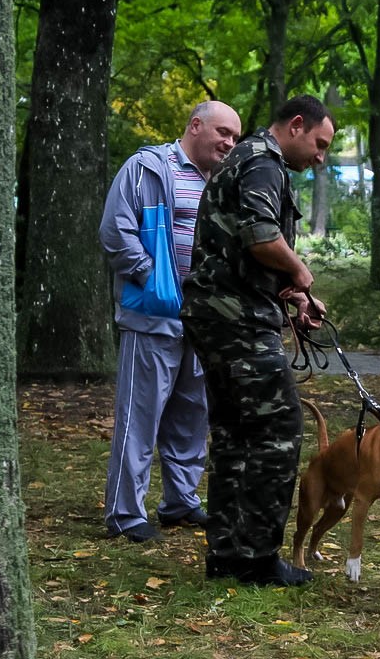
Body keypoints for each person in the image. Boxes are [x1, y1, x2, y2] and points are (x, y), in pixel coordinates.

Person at [180, 94, 335, 586]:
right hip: (235, 321)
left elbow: (240, 251)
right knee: (278, 428)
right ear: (295, 125)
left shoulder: (246, 160)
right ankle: (258, 559)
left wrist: (288, 295)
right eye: (319, 143)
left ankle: (227, 554)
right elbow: (260, 237)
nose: (320, 156)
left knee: (234, 435)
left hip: (217, 314)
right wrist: (302, 274)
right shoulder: (265, 164)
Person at [99, 101, 242, 542]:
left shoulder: (221, 182)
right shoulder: (146, 169)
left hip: (201, 322)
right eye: (223, 132)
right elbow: (114, 231)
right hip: (152, 316)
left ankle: (180, 502)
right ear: (195, 125)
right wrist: (153, 278)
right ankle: (125, 514)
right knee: (139, 418)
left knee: (191, 417)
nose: (229, 143)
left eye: (235, 137)